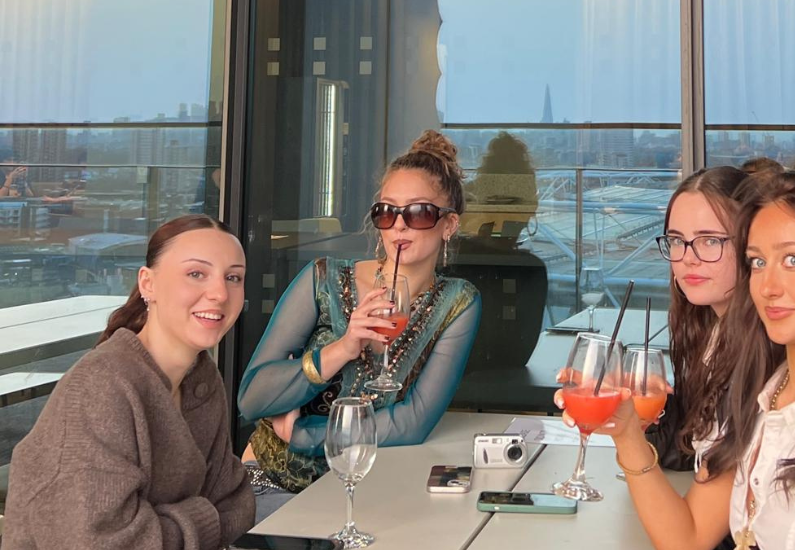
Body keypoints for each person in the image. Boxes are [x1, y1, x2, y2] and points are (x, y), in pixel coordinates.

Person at [561, 171, 795, 549]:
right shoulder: (764, 401)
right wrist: (627, 431)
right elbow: (688, 536)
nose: (768, 286)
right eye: (758, 262)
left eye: (793, 260)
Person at [238, 130, 481, 523]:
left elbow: (413, 420)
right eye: (387, 212)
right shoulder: (322, 280)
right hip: (275, 483)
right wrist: (344, 347)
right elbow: (251, 399)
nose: (399, 227)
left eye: (418, 213)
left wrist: (307, 437)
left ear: (448, 225)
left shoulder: (457, 302)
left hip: (370, 493)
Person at [2, 214, 255, 550]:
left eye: (233, 277)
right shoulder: (102, 387)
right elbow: (103, 544)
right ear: (148, 284)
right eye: (196, 274)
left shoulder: (202, 378)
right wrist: (203, 519)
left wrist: (157, 524)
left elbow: (237, 503)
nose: (220, 293)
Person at [649, 166, 747, 550]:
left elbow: (690, 540)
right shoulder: (709, 333)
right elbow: (689, 454)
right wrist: (653, 411)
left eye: (709, 241)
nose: (687, 258)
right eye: (677, 240)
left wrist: (626, 440)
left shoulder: (762, 360)